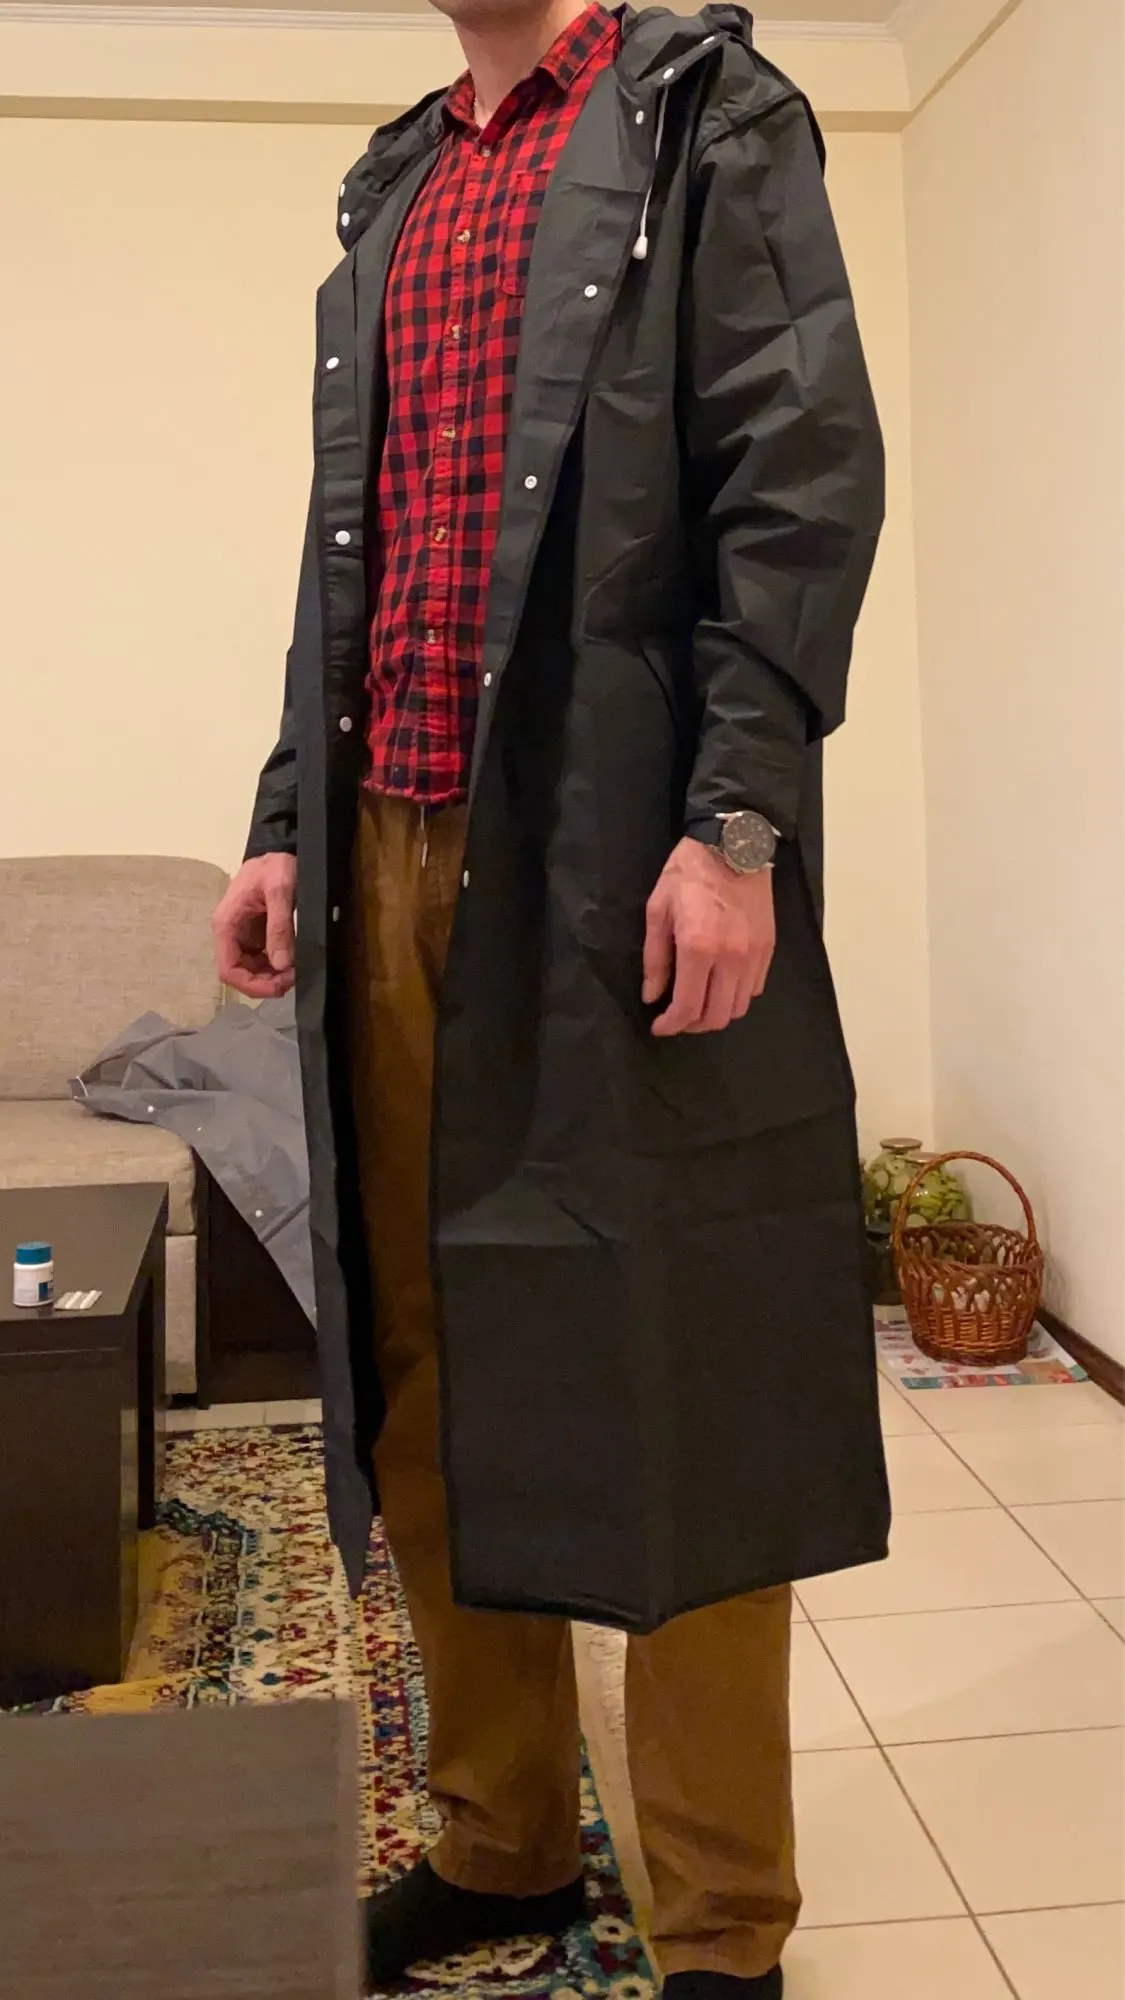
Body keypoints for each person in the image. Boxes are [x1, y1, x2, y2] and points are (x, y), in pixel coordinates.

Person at [213, 3, 890, 1993]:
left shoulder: (704, 117)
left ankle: (723, 1924)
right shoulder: (401, 182)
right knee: (428, 1354)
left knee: (681, 1364)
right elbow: (348, 552)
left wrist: (738, 819)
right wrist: (287, 818)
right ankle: (501, 1836)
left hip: (613, 853)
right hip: (386, 853)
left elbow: (796, 475)